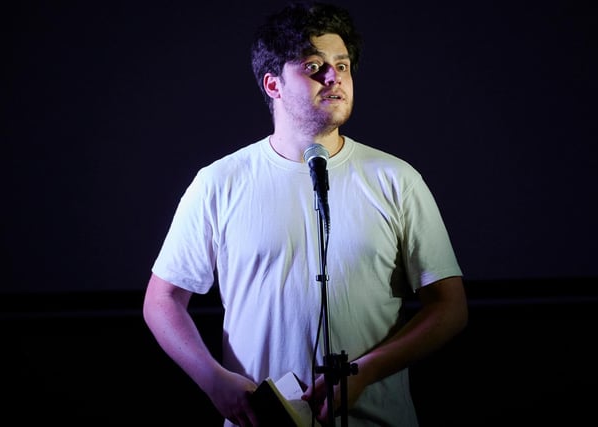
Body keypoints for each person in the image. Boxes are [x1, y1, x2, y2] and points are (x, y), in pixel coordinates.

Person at [142, 2, 468, 426]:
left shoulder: (396, 179)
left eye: (343, 65)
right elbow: (162, 300)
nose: (334, 77)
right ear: (273, 85)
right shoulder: (219, 182)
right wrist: (214, 381)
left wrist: (365, 371)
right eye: (314, 66)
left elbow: (450, 306)